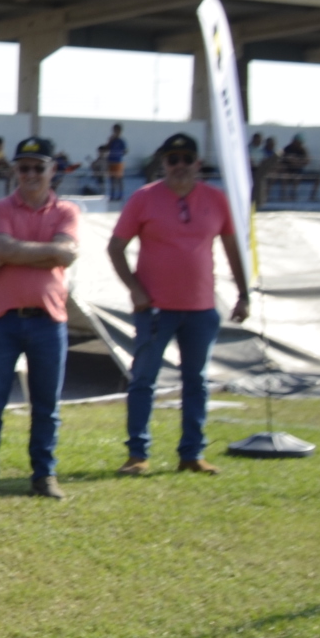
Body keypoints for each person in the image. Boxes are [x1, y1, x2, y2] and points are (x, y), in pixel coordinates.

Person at [109, 132, 249, 476]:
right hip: (155, 309)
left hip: (201, 309)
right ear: (164, 164)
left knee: (196, 382)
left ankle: (192, 454)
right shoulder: (143, 199)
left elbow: (233, 249)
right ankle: (138, 454)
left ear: (198, 163)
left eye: (187, 159)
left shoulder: (216, 200)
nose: (180, 166)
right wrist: (135, 289)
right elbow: (115, 248)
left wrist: (244, 294)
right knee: (144, 380)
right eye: (173, 160)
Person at [0, 136, 79, 499]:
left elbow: (67, 255)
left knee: (47, 404)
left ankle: (44, 474)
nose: (29, 174)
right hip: (3, 319)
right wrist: (45, 253)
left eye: (37, 167)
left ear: (52, 171)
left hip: (48, 320)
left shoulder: (67, 211)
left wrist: (11, 252)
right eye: (23, 167)